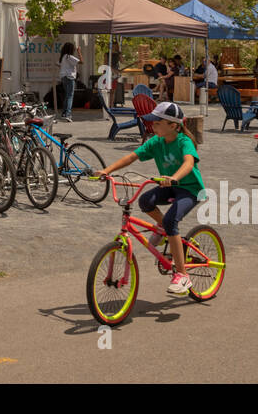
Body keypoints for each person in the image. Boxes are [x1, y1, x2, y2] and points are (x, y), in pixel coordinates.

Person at [95, 101, 203, 296]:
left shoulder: (183, 141)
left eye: (157, 122)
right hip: (170, 187)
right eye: (152, 121)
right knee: (145, 200)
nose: (152, 125)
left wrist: (174, 178)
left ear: (173, 125)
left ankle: (182, 274)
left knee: (172, 220)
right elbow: (131, 157)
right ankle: (163, 229)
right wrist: (106, 170)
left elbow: (188, 163)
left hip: (190, 190)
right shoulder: (156, 141)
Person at [58, 42, 81, 122]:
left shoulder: (63, 57)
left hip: (64, 77)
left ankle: (64, 113)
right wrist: (79, 52)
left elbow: (59, 65)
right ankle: (68, 114)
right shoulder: (69, 57)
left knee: (67, 96)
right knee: (70, 96)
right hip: (69, 77)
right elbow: (81, 62)